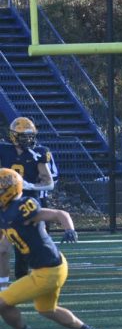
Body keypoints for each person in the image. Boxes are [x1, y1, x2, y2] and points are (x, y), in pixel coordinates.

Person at [0, 168, 103, 329]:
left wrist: (69, 230)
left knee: (2, 303)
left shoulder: (23, 208)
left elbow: (59, 214)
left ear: (10, 190)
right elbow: (3, 248)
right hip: (48, 268)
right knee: (47, 309)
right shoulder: (6, 213)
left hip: (48, 271)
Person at [0, 117, 57, 289]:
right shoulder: (4, 150)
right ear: (14, 136)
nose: (28, 139)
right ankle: (4, 285)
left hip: (28, 203)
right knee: (3, 246)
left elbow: (49, 183)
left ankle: (24, 281)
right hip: (5, 202)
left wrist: (29, 185)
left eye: (30, 135)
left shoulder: (39, 152)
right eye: (24, 136)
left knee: (25, 247)